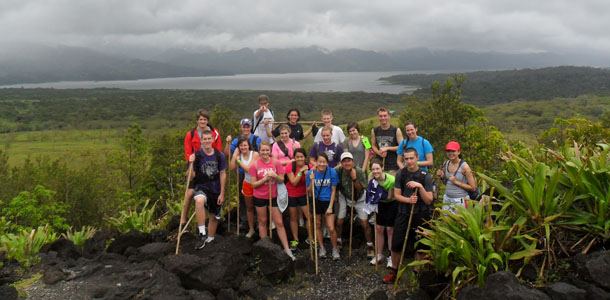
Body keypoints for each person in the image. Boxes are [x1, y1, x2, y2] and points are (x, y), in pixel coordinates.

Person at [383, 148, 433, 284]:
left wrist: (420, 187)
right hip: (403, 212)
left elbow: (429, 200)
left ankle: (416, 274)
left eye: (411, 158)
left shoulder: (425, 176)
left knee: (420, 245)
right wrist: (408, 200)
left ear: (417, 158)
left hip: (421, 214)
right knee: (396, 243)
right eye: (406, 159)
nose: (409, 161)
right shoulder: (401, 174)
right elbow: (397, 195)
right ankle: (394, 271)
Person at [248, 141, 295, 261]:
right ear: (259, 151)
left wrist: (274, 176)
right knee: (263, 221)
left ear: (270, 151)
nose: (264, 152)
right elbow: (253, 184)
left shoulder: (276, 162)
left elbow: (281, 179)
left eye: (267, 150)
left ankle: (287, 249)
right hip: (259, 197)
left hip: (273, 196)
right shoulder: (255, 165)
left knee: (279, 222)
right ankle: (265, 249)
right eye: (262, 150)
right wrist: (265, 179)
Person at [181, 109, 223, 228]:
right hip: (195, 164)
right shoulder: (191, 134)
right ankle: (183, 219)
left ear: (208, 121)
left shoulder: (215, 133)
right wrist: (191, 165)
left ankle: (205, 222)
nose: (202, 121)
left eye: (204, 119)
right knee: (189, 194)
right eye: (200, 119)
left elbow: (218, 150)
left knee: (209, 193)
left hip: (211, 166)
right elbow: (188, 152)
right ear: (197, 121)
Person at [187, 130, 226, 250]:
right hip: (202, 186)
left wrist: (222, 193)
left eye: (209, 139)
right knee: (199, 201)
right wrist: (191, 163)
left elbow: (223, 174)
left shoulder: (219, 156)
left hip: (215, 188)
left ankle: (210, 239)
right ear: (201, 141)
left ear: (213, 140)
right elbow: (190, 176)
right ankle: (202, 233)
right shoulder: (197, 156)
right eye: (205, 139)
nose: (207, 141)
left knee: (213, 216)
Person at [334, 152, 374, 257]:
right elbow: (328, 172)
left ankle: (370, 245)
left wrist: (354, 178)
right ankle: (338, 240)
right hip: (345, 197)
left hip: (359, 198)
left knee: (365, 223)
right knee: (339, 221)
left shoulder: (359, 171)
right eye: (344, 161)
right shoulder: (339, 171)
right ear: (341, 163)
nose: (347, 163)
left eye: (349, 161)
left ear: (352, 162)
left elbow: (360, 189)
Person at [306, 152, 340, 260]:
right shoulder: (310, 173)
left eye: (324, 162)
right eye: (319, 162)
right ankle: (321, 247)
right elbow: (308, 191)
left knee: (330, 227)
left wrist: (330, 206)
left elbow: (334, 191)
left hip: (328, 200)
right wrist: (311, 181)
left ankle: (335, 248)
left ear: (327, 162)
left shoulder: (332, 172)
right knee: (318, 224)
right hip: (316, 201)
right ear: (316, 162)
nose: (321, 164)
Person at [366, 159, 396, 267]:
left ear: (382, 168)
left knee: (389, 230)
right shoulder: (372, 179)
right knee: (379, 228)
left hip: (391, 203)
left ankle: (391, 256)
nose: (375, 171)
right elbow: (370, 193)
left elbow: (389, 197)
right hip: (380, 204)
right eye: (373, 169)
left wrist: (378, 193)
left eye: (377, 168)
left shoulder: (391, 180)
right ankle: (379, 254)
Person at [228, 136, 260, 238]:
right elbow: (231, 167)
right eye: (241, 146)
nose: (243, 147)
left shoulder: (254, 154)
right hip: (247, 183)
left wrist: (239, 162)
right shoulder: (239, 155)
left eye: (245, 145)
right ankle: (251, 229)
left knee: (259, 206)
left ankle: (260, 226)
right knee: (249, 207)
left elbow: (250, 169)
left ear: (249, 145)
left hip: (258, 183)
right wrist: (235, 155)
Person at [436, 141, 477, 214]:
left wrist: (456, 182)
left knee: (459, 223)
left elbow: (473, 187)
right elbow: (447, 182)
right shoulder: (446, 163)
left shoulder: (464, 167)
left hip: (460, 200)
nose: (450, 153)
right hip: (447, 199)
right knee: (446, 223)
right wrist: (442, 177)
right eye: (448, 151)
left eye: (453, 151)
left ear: (459, 152)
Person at [285, 148, 311, 251]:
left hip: (304, 194)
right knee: (293, 217)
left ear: (305, 157)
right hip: (292, 194)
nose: (299, 159)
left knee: (308, 216)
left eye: (301, 157)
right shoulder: (290, 166)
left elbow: (311, 183)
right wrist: (300, 172)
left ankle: (310, 238)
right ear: (294, 158)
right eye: (297, 157)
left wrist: (308, 174)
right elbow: (294, 182)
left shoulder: (309, 167)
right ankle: (295, 240)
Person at [371, 108, 403, 175]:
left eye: (385, 116)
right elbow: (373, 145)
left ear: (389, 116)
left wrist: (387, 148)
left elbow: (402, 147)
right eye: (381, 116)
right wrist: (379, 153)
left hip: (394, 166)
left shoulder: (396, 130)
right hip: (379, 166)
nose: (383, 118)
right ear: (378, 117)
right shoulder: (374, 130)